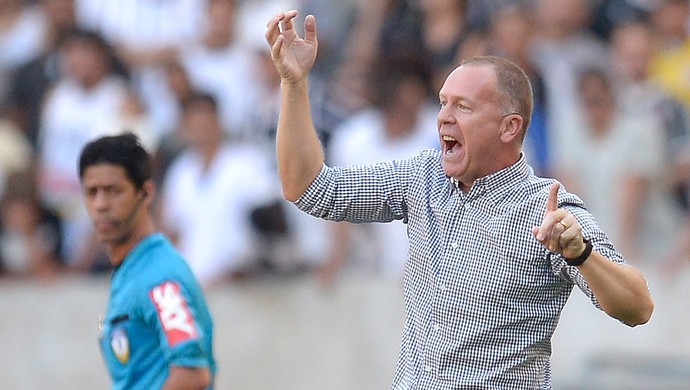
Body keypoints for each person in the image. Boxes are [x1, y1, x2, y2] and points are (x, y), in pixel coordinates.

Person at [265, 10, 654, 388]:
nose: (443, 117)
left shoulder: (548, 211)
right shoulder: (422, 176)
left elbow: (638, 308)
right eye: (442, 102)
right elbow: (309, 188)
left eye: (462, 106)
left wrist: (581, 254)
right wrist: (294, 84)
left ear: (509, 127)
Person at [78, 133, 215, 389]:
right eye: (91, 192)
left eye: (113, 191)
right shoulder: (132, 269)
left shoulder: (160, 278)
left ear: (146, 192)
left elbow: (192, 374)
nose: (101, 204)